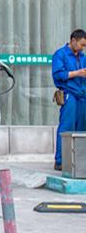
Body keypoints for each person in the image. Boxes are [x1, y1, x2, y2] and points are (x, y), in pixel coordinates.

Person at [51, 29, 86, 171]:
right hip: (69, 94)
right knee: (66, 127)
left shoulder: (82, 57)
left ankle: (79, 161)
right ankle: (60, 161)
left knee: (82, 129)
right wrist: (78, 73)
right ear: (73, 41)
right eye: (81, 44)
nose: (83, 48)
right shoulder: (60, 54)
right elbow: (58, 75)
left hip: (82, 96)